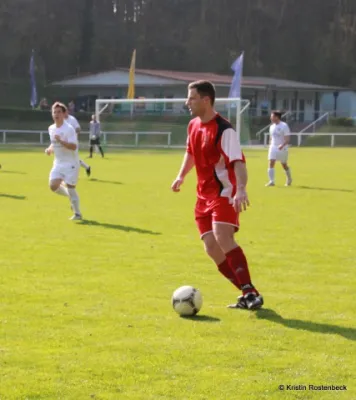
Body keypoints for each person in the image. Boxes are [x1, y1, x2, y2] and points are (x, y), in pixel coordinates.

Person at [171, 80, 263, 310]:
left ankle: (250, 291)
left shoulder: (224, 129)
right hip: (203, 196)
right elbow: (190, 152)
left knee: (223, 236)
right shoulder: (193, 125)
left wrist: (241, 189)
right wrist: (181, 175)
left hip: (225, 192)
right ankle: (246, 293)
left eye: (191, 98)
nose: (187, 102)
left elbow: (238, 162)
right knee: (211, 247)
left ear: (206, 100)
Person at [45, 102, 82, 220]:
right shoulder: (51, 128)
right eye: (54, 112)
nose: (56, 114)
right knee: (53, 186)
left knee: (71, 187)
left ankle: (77, 214)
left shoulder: (69, 129)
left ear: (63, 114)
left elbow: (74, 146)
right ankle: (70, 197)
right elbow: (53, 141)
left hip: (71, 163)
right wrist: (50, 148)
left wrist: (61, 141)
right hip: (58, 162)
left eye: (59, 112)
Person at [266, 111, 292, 186]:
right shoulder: (271, 126)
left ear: (277, 117)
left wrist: (282, 145)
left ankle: (289, 179)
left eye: (272, 116)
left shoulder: (284, 126)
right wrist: (270, 145)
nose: (271, 118)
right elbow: (271, 137)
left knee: (284, 164)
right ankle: (271, 181)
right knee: (271, 162)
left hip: (282, 147)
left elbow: (287, 139)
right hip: (273, 147)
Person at [64, 109, 91, 177]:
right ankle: (87, 167)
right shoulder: (62, 120)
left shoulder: (72, 119)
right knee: (71, 158)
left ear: (67, 112)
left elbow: (78, 128)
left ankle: (70, 174)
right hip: (65, 143)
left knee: (72, 159)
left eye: (65, 112)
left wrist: (73, 133)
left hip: (73, 142)